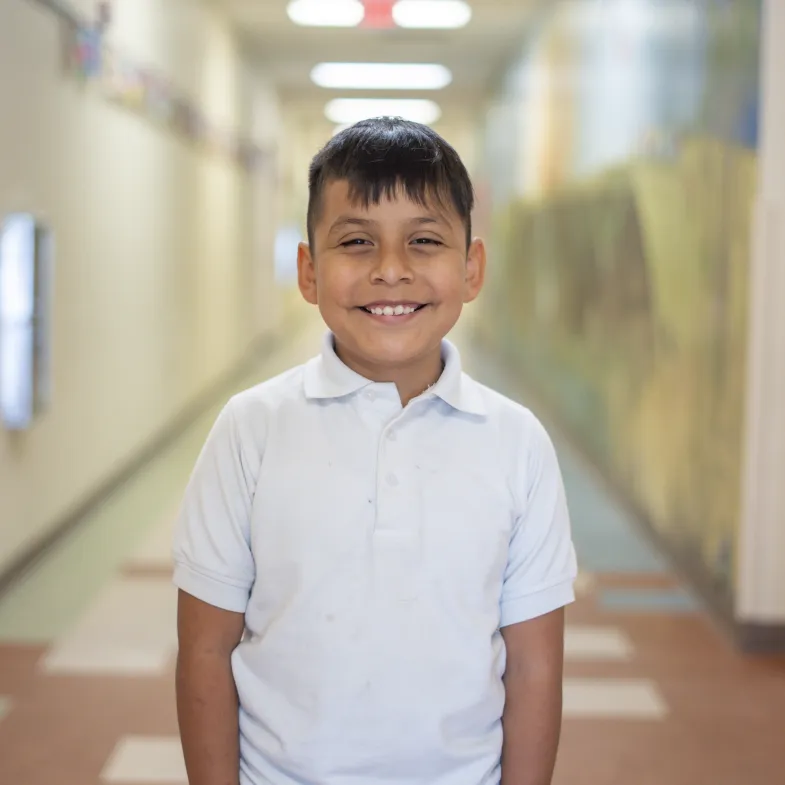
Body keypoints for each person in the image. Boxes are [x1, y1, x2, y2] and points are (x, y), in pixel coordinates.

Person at [172, 116, 578, 785]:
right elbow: (205, 650)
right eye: (355, 241)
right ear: (308, 271)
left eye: (424, 240)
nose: (391, 270)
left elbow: (535, 665)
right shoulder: (250, 430)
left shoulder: (516, 443)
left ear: (471, 267)